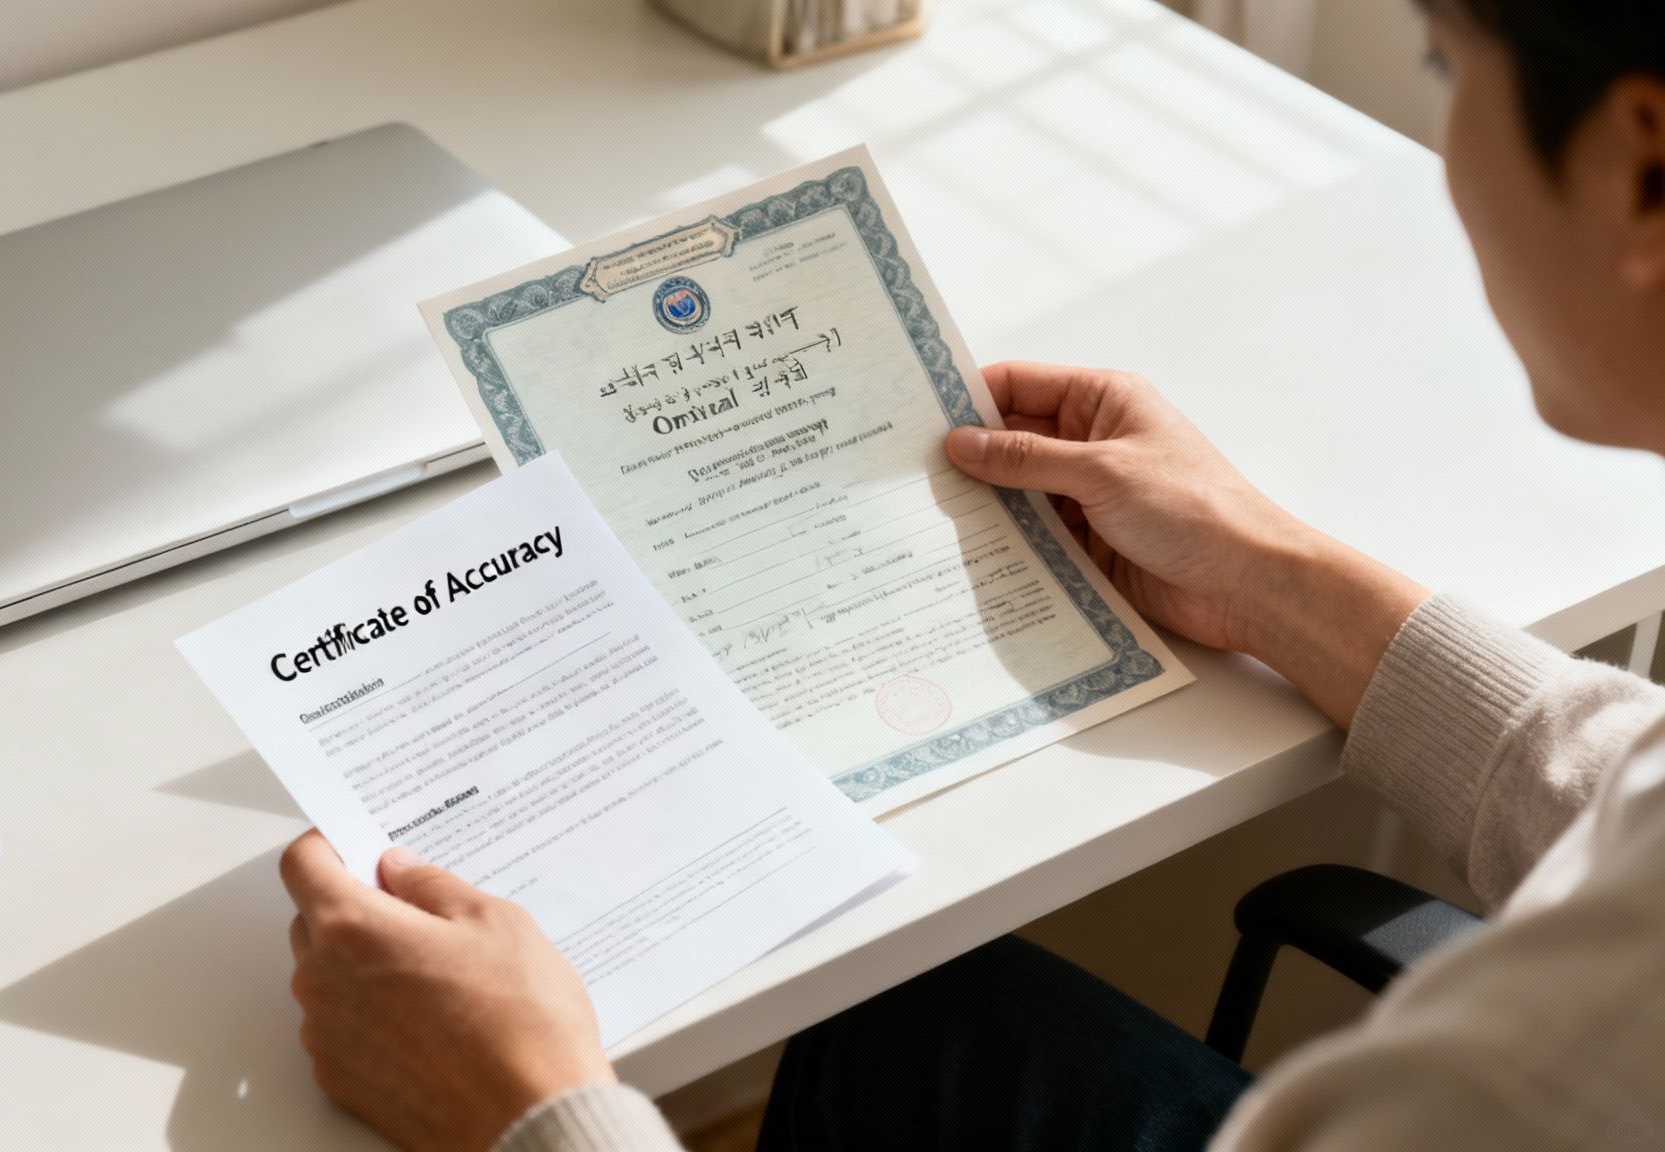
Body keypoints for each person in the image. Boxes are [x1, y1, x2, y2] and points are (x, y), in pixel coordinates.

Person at [277, 1, 1665, 1148]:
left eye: (1444, 65)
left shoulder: (1534, 1074)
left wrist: (527, 1108)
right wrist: (1265, 575)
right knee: (898, 1018)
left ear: (1643, 160)